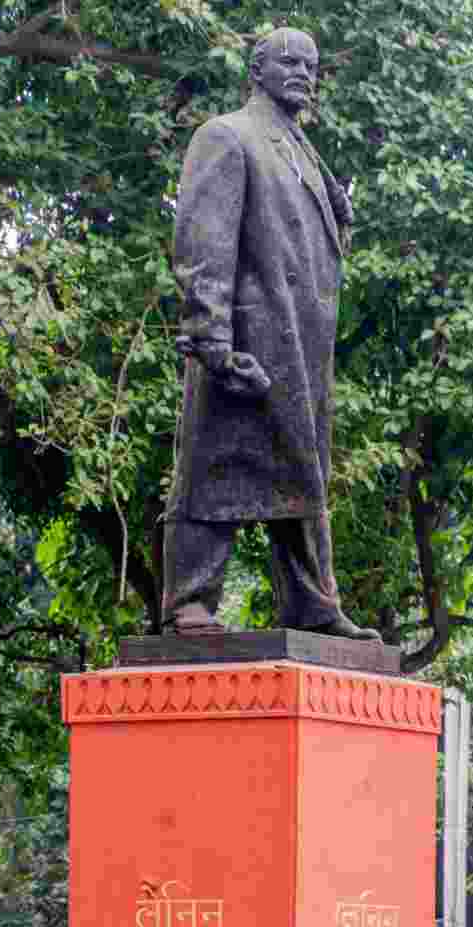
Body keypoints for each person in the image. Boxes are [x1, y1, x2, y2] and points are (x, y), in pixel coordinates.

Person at [164, 27, 379, 640]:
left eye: (311, 65)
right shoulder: (227, 136)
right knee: (215, 465)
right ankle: (191, 601)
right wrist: (211, 338)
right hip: (249, 338)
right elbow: (203, 244)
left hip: (301, 341)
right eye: (288, 61)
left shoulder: (302, 149)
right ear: (256, 69)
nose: (303, 74)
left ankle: (314, 601)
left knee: (300, 471)